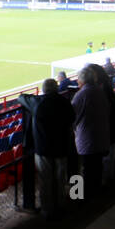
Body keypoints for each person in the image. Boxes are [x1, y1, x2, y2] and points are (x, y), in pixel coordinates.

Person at [20, 78, 75, 220]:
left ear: (44, 90)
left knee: (46, 180)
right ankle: (61, 205)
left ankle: (47, 210)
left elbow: (21, 97)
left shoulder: (38, 102)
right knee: (60, 178)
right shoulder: (64, 102)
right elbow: (72, 118)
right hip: (62, 146)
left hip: (43, 148)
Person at [72, 66, 109, 199]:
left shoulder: (81, 95)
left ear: (82, 81)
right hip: (100, 137)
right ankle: (95, 191)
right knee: (96, 167)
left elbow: (73, 117)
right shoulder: (100, 91)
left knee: (84, 168)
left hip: (86, 140)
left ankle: (80, 196)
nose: (77, 82)